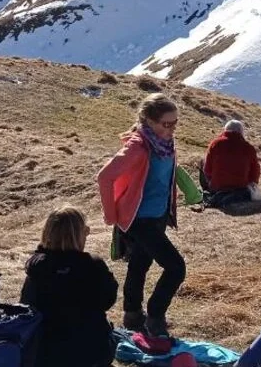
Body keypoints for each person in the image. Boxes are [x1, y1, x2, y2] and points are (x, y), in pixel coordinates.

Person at [97, 93, 186, 338]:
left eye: (175, 123)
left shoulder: (165, 143)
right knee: (176, 268)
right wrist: (111, 216)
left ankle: (133, 315)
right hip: (139, 219)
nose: (172, 128)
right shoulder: (138, 146)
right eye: (166, 124)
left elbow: (167, 172)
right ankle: (155, 317)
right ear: (149, 120)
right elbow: (105, 177)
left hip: (158, 216)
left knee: (140, 264)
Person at [21, 205, 118, 367]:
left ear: (47, 234)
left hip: (44, 355)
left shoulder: (37, 269)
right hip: (92, 353)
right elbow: (108, 300)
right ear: (79, 235)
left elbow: (27, 308)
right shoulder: (93, 265)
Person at [201, 119, 261, 203]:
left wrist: (213, 180)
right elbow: (255, 173)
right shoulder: (249, 148)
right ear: (241, 132)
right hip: (241, 189)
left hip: (218, 188)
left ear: (225, 130)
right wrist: (250, 186)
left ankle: (209, 194)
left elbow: (207, 169)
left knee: (202, 163)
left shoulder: (215, 144)